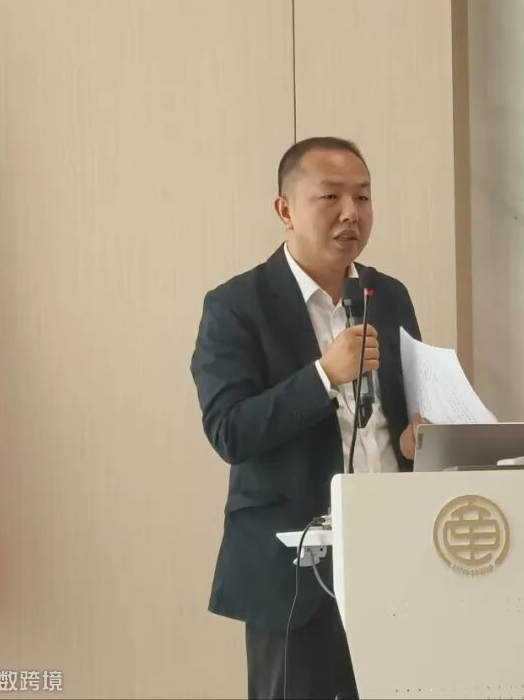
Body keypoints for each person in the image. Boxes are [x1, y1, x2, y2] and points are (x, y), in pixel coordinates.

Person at [191, 136, 427, 699]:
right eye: (331, 197)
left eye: (363, 197)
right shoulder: (236, 305)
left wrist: (419, 440)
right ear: (285, 210)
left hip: (394, 559)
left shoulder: (387, 295)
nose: (352, 213)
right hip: (294, 574)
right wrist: (322, 376)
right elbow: (230, 431)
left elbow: (411, 412)